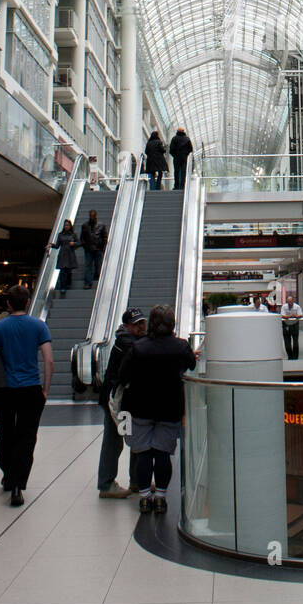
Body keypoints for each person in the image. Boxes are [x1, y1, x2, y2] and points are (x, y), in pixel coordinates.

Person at [118, 304, 197, 513]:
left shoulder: (139, 347)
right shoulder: (181, 346)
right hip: (170, 408)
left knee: (143, 453)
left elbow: (123, 375)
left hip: (140, 407)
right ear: (172, 324)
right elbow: (192, 364)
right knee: (163, 454)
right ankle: (161, 496)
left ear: (151, 323)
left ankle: (144, 497)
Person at [0, 285, 53, 507]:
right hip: (31, 388)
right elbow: (49, 360)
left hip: (4, 391)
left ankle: (7, 472)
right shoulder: (38, 326)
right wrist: (45, 389)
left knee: (6, 432)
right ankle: (17, 485)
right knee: (26, 436)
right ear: (28, 302)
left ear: (8, 304)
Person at [97, 309, 147, 498]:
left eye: (142, 322)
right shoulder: (126, 342)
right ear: (126, 326)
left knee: (134, 438)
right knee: (114, 440)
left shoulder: (132, 341)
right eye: (136, 324)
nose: (141, 326)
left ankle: (136, 480)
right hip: (115, 402)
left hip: (125, 401)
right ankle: (106, 484)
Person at [80, 208, 108, 289]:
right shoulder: (85, 226)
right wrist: (85, 246)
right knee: (88, 265)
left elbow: (104, 237)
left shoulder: (101, 225)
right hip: (88, 249)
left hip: (98, 248)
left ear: (96, 216)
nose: (92, 217)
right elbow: (82, 238)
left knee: (97, 264)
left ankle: (97, 275)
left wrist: (102, 246)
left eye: (93, 216)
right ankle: (88, 282)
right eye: (90, 216)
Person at [52, 219, 79, 296]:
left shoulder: (73, 234)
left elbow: (79, 242)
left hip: (70, 254)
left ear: (70, 226)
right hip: (63, 254)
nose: (66, 226)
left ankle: (68, 283)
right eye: (65, 225)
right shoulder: (60, 235)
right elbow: (57, 246)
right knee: (63, 271)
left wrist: (73, 243)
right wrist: (52, 245)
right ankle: (62, 287)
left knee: (68, 271)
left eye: (67, 225)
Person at [281, 293, 302, 360]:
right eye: (288, 301)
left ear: (293, 301)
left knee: (295, 342)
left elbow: (300, 315)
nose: (289, 303)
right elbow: (282, 315)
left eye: (290, 301)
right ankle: (290, 356)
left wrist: (295, 316)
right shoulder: (284, 307)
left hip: (294, 325)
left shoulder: (297, 307)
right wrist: (289, 316)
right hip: (286, 325)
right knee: (287, 343)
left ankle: (295, 357)